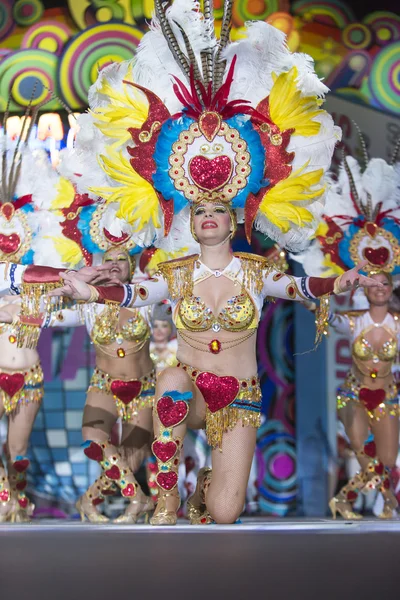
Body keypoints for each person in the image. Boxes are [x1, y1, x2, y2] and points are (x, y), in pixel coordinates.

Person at [328, 272, 399, 519]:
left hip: (386, 396)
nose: (379, 289)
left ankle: (343, 498)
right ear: (365, 290)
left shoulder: (398, 323)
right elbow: (323, 315)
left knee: (387, 458)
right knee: (363, 452)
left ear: (392, 289)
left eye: (385, 284)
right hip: (353, 395)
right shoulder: (351, 321)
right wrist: (320, 292)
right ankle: (384, 500)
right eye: (373, 284)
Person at [0, 296, 43, 522]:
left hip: (29, 379)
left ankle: (17, 498)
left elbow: (51, 317)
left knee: (17, 448)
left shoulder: (36, 290)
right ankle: (4, 497)